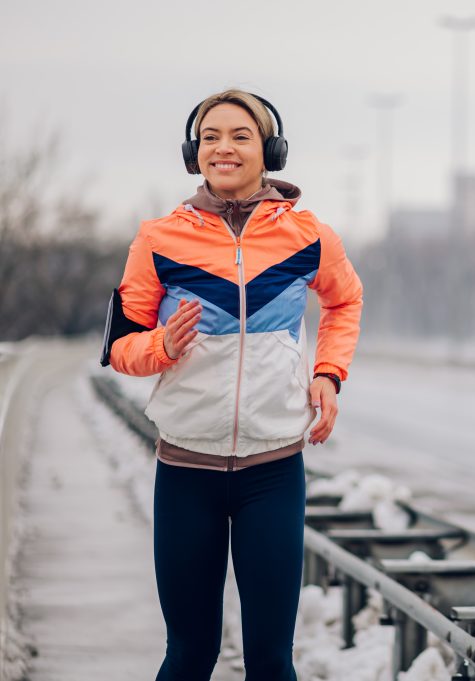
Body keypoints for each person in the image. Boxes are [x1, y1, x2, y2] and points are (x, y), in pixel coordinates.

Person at [104, 89, 363, 680]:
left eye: (241, 136)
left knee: (271, 661)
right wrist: (160, 347)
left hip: (272, 473)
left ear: (269, 151)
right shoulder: (158, 239)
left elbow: (345, 301)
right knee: (189, 654)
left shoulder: (309, 236)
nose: (223, 147)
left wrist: (328, 374)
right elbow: (120, 348)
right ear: (194, 153)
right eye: (211, 137)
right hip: (185, 472)